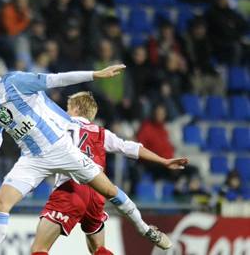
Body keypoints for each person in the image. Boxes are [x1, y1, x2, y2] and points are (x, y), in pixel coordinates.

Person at [0, 53, 173, 255]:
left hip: (60, 147)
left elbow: (58, 79)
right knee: (0, 203)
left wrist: (96, 74)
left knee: (109, 190)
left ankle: (144, 228)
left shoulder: (16, 82)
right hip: (31, 159)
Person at [30, 92, 188, 255]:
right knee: (99, 250)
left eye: (68, 108)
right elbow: (130, 147)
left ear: (76, 109)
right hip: (97, 193)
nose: (66, 111)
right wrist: (163, 160)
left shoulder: (61, 125)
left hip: (70, 189)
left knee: (39, 249)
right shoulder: (101, 133)